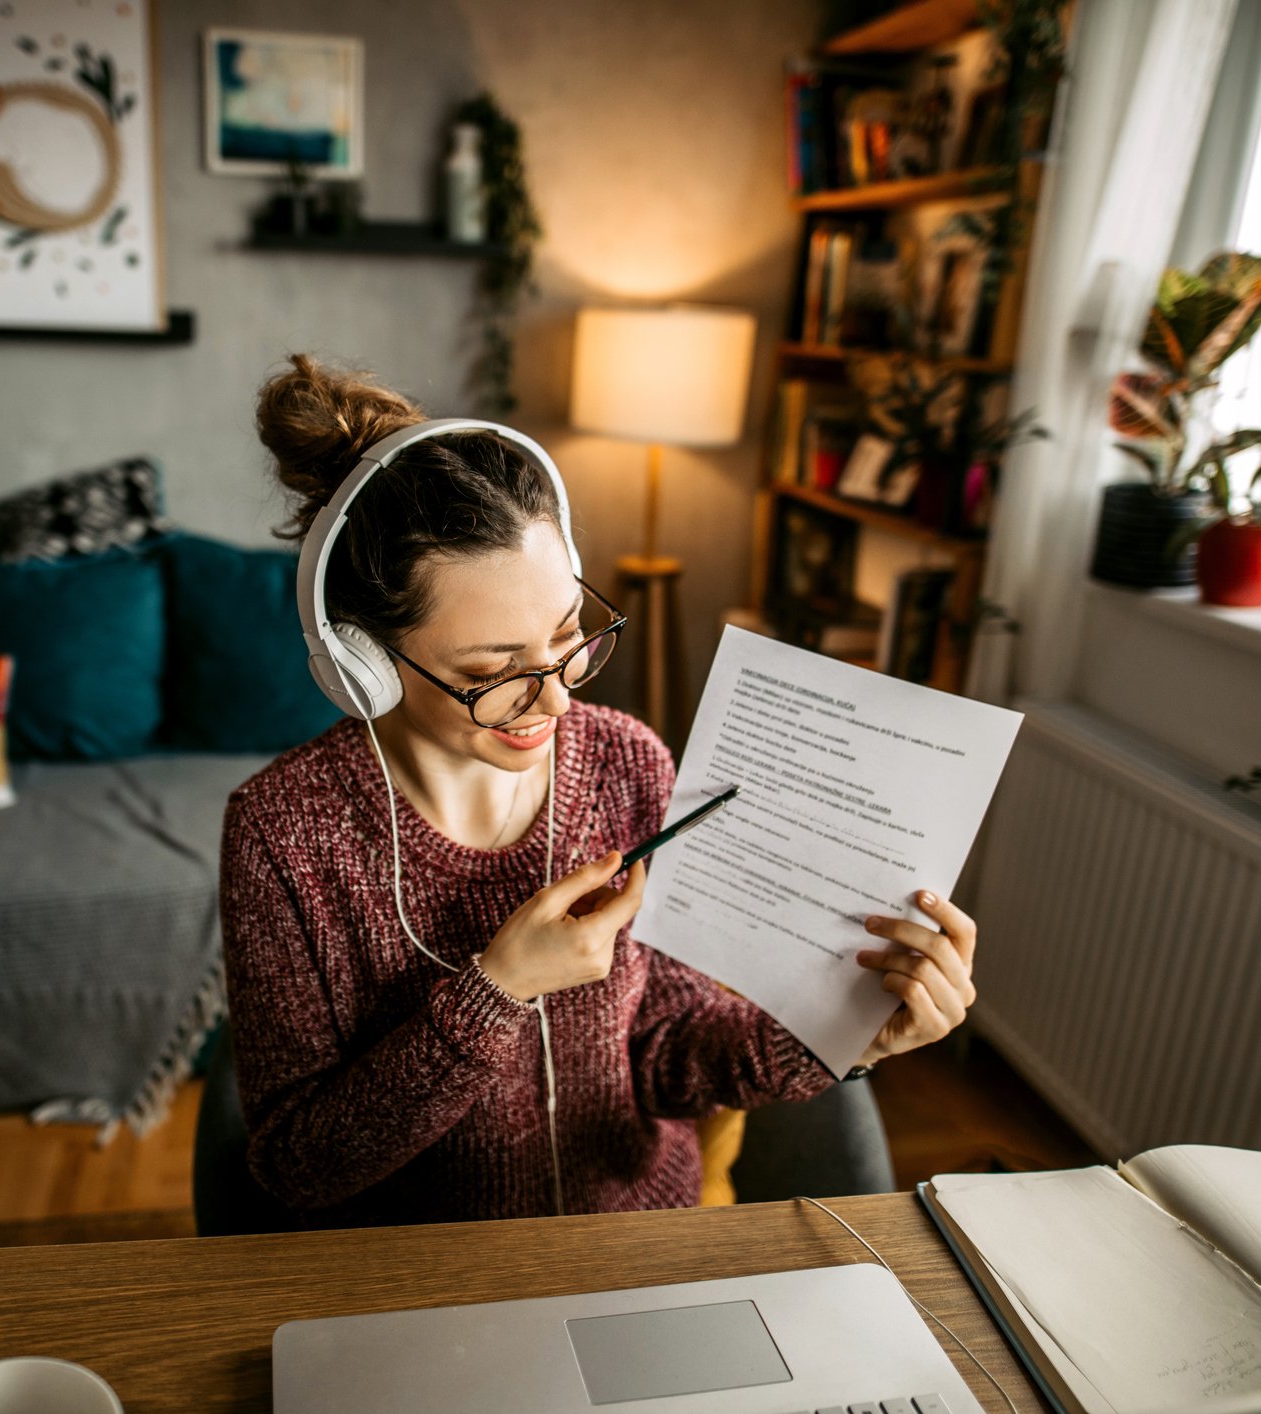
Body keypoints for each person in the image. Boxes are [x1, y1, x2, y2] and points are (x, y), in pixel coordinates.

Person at [219, 353, 980, 1228]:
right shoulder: (284, 832)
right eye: (493, 672)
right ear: (364, 668)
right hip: (411, 1275)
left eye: (568, 635)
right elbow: (297, 1167)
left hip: (636, 1240)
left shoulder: (626, 764)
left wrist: (850, 1035)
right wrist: (494, 991)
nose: (555, 697)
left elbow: (667, 1056)